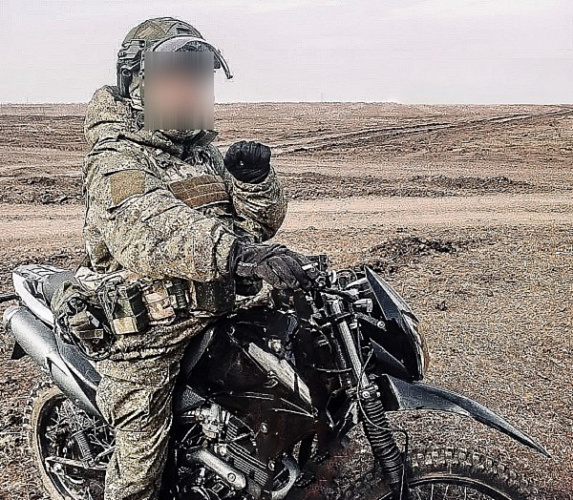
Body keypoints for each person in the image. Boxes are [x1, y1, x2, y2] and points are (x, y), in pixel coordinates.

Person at [81, 16, 319, 500]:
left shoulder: (201, 155)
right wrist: (237, 253)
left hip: (217, 306)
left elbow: (254, 230)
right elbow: (149, 229)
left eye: (197, 79)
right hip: (149, 335)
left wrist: (254, 184)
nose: (189, 91)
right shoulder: (116, 159)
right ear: (137, 85)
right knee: (140, 462)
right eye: (176, 79)